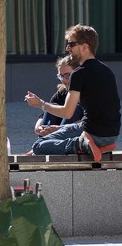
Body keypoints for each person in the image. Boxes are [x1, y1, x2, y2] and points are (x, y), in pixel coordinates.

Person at [26, 24, 121, 160]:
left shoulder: (79, 73)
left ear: (85, 47)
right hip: (112, 135)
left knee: (38, 146)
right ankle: (97, 146)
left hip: (92, 133)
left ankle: (80, 144)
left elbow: (67, 112)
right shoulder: (107, 71)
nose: (67, 48)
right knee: (60, 132)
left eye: (71, 44)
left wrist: (40, 104)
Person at [34, 55, 83, 137]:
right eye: (61, 76)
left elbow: (88, 122)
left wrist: (60, 128)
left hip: (77, 134)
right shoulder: (62, 92)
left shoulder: (89, 93)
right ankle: (43, 143)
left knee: (74, 109)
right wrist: (38, 128)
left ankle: (45, 145)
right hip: (58, 131)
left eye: (67, 75)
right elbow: (45, 113)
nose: (64, 80)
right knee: (52, 106)